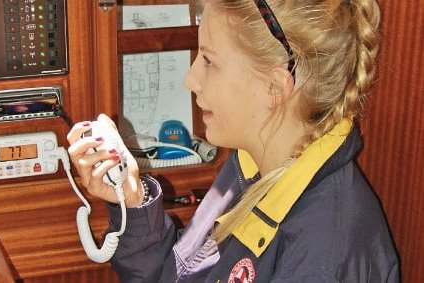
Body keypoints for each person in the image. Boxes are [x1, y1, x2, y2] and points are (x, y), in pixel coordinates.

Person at [66, 0, 399, 281]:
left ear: (274, 87)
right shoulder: (251, 166)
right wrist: (133, 199)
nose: (190, 79)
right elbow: (177, 273)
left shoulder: (328, 251)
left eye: (209, 61)